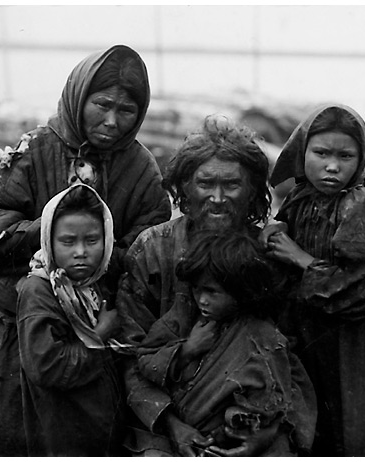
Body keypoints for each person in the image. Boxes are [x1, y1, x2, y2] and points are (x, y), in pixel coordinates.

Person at [0, 44, 171, 456]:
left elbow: (151, 245)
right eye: (102, 105)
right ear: (80, 96)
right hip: (24, 329)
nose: (112, 121)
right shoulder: (35, 149)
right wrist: (47, 233)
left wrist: (100, 258)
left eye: (126, 110)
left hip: (102, 328)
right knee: (18, 437)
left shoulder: (141, 168)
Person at [116, 115, 316, 456]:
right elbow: (129, 354)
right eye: (205, 183)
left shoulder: (267, 254)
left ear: (253, 189)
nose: (218, 198)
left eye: (232, 185)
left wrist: (270, 430)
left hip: (251, 416)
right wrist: (171, 425)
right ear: (184, 187)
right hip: (163, 418)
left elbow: (290, 356)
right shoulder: (153, 250)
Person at [260, 103, 365, 456]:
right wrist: (270, 237)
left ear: (360, 159)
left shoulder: (359, 205)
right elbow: (278, 258)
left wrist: (301, 259)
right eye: (321, 153)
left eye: (345, 156)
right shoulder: (299, 199)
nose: (332, 166)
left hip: (353, 345)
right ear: (302, 151)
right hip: (306, 336)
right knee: (308, 426)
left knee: (351, 431)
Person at [136, 229, 317, 456]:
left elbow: (277, 398)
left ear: (240, 292)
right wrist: (187, 350)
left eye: (212, 292)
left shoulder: (262, 335)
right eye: (196, 289)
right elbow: (144, 360)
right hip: (175, 432)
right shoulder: (182, 316)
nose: (202, 300)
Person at [17, 184, 125, 456]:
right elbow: (47, 367)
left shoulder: (95, 283)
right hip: (64, 433)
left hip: (101, 426)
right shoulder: (40, 291)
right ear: (48, 241)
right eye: (68, 242)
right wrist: (99, 335)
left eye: (92, 240)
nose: (80, 252)